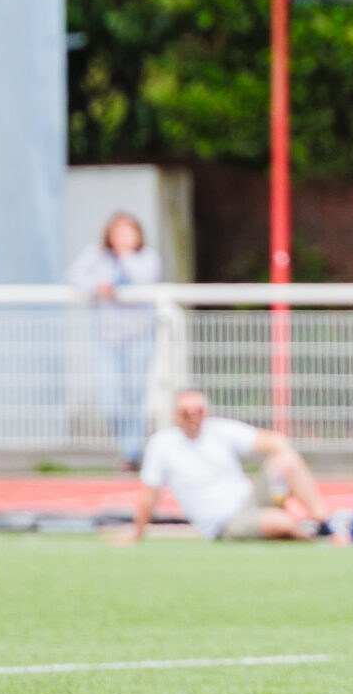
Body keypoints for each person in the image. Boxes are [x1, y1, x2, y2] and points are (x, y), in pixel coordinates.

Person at [128, 388, 332, 540]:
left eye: (198, 411)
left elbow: (277, 441)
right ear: (175, 415)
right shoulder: (161, 445)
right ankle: (310, 537)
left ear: (206, 412)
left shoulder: (220, 430)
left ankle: (326, 525)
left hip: (250, 501)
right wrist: (136, 533)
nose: (193, 417)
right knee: (281, 523)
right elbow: (150, 493)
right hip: (224, 524)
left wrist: (281, 488)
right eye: (186, 412)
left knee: (287, 459)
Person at [68, 211, 160, 467]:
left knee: (135, 396)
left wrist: (125, 255)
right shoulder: (96, 255)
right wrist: (97, 286)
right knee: (109, 398)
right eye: (117, 231)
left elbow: (144, 280)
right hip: (107, 337)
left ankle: (131, 453)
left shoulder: (146, 257)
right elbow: (74, 276)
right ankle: (127, 445)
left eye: (128, 231)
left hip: (140, 336)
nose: (122, 236)